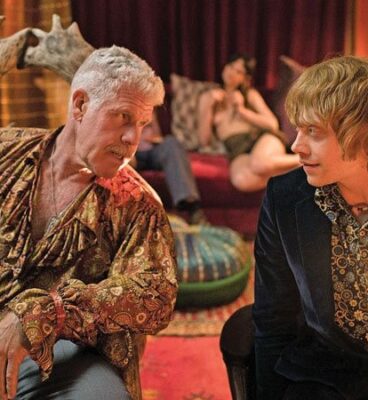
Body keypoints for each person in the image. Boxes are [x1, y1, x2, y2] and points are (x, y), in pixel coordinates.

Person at [0, 46, 177, 400]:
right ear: (80, 105)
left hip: (64, 354)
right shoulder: (6, 152)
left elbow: (154, 294)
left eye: (142, 124)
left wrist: (45, 313)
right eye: (124, 117)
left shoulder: (138, 203)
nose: (134, 139)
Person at [253, 55, 368, 400]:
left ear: (366, 130)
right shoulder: (284, 198)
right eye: (298, 129)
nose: (296, 146)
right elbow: (273, 319)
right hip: (330, 375)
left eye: (313, 132)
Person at [198, 54, 300, 192]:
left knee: (259, 164)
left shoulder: (250, 95)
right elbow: (204, 141)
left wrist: (242, 111)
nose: (232, 72)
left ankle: (303, 160)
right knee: (241, 180)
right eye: (231, 66)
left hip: (261, 139)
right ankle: (295, 173)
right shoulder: (208, 97)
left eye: (238, 71)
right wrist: (208, 107)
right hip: (237, 149)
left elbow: (272, 124)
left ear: (245, 78)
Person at [130, 112, 207, 225]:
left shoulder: (149, 105)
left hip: (153, 148)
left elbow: (157, 133)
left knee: (171, 142)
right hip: (130, 150)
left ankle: (191, 207)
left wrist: (155, 137)